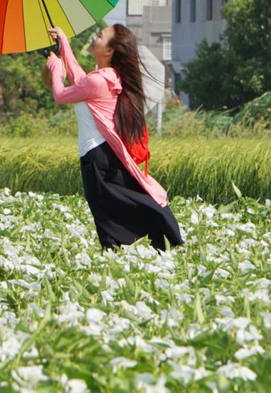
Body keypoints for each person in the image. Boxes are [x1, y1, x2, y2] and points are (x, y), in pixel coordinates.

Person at [42, 24, 183, 251]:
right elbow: (80, 80)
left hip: (98, 157)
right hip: (100, 155)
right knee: (114, 208)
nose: (94, 37)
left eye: (100, 36)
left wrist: (55, 67)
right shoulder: (105, 77)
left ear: (109, 51)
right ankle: (147, 247)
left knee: (109, 211)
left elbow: (60, 95)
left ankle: (134, 249)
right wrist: (64, 43)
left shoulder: (99, 80)